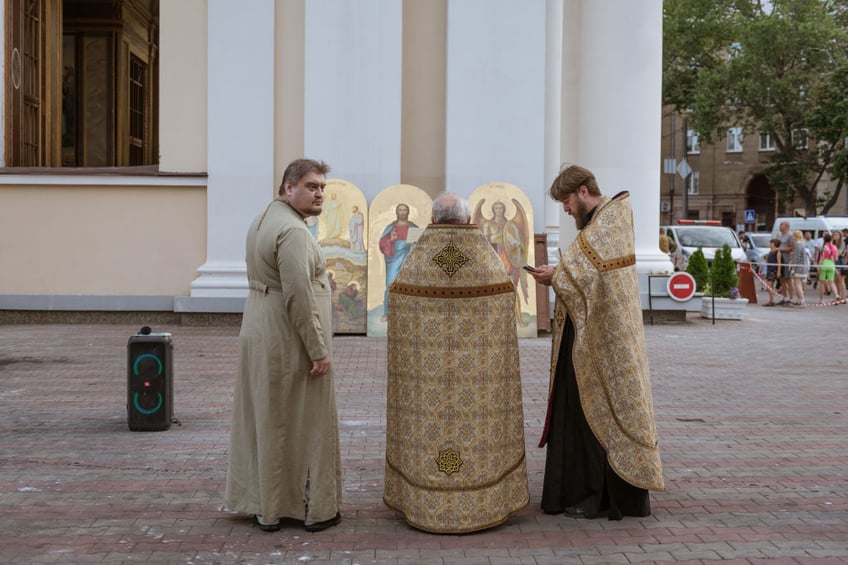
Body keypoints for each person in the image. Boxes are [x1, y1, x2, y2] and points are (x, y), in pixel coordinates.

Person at [383, 192, 529, 533]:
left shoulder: (417, 259)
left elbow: (398, 302)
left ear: (434, 218)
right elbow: (505, 300)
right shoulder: (485, 257)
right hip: (475, 381)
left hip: (429, 383)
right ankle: (485, 502)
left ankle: (422, 502)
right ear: (467, 219)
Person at [527, 164, 664, 520]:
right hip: (586, 335)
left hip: (606, 340)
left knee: (598, 411)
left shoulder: (610, 220)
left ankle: (600, 496)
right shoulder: (599, 223)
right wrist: (559, 275)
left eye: (568, 201)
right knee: (578, 411)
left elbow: (583, 271)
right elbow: (585, 272)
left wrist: (556, 275)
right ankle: (579, 490)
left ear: (585, 190)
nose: (567, 210)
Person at [224, 158, 342, 533]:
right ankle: (305, 508)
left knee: (268, 417)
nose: (319, 193)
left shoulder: (264, 219)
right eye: (311, 186)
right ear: (288, 188)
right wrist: (318, 348)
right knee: (302, 422)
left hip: (262, 328)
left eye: (322, 187)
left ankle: (266, 506)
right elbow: (298, 296)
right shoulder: (293, 232)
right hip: (287, 337)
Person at [379, 203, 419, 321]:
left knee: (410, 283)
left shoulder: (414, 227)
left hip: (410, 257)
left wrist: (414, 244)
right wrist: (390, 241)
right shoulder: (391, 227)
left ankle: (410, 311)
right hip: (395, 257)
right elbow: (382, 244)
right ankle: (387, 313)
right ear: (397, 212)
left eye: (405, 210)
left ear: (408, 212)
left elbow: (422, 243)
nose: (402, 212)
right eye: (400, 210)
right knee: (391, 284)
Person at [776, 221, 795, 305]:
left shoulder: (790, 235)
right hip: (779, 259)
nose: (779, 226)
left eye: (781, 224)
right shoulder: (779, 235)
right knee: (782, 280)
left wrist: (780, 249)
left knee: (788, 280)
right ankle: (784, 298)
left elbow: (791, 247)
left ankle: (791, 299)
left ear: (786, 226)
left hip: (786, 260)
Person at [788, 230, 808, 308]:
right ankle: (799, 300)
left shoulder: (797, 245)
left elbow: (796, 259)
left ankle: (802, 301)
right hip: (803, 267)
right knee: (799, 284)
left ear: (795, 236)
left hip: (799, 268)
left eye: (793, 236)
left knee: (797, 285)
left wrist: (793, 269)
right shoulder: (802, 244)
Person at [817, 233, 838, 304]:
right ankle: (836, 295)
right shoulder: (835, 247)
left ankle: (821, 299)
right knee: (831, 282)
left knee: (822, 283)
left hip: (824, 264)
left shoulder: (824, 247)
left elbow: (821, 258)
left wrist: (818, 266)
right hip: (832, 264)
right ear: (831, 239)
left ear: (824, 239)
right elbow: (836, 258)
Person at [762, 238, 781, 306]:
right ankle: (771, 300)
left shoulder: (777, 252)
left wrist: (778, 271)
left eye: (771, 243)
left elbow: (779, 262)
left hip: (773, 270)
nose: (770, 244)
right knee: (769, 286)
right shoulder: (770, 251)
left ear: (774, 244)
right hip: (769, 270)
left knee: (769, 285)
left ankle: (771, 300)